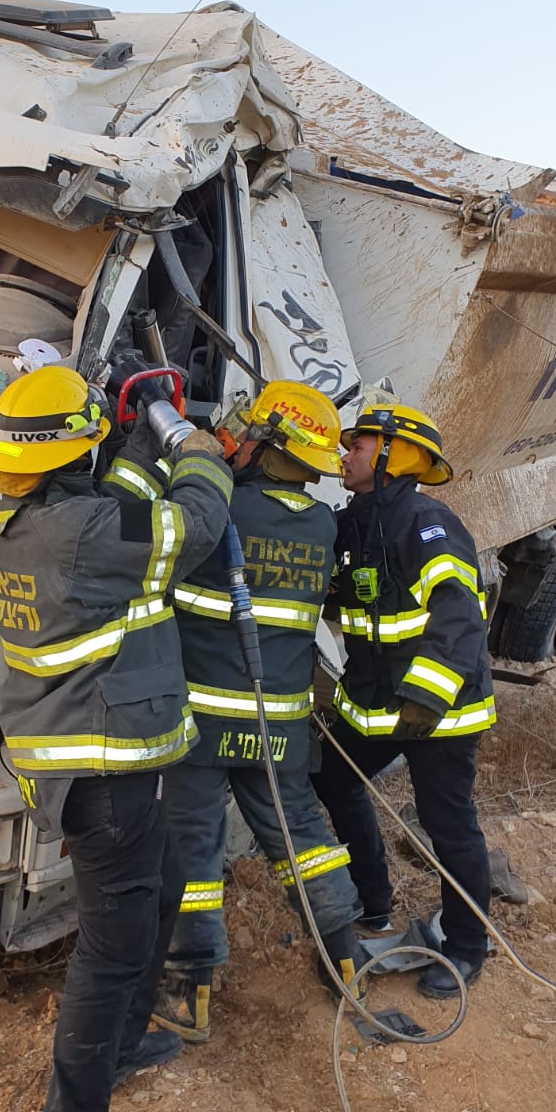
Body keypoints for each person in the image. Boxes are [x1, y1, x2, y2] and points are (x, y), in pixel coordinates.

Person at [0, 365, 232, 1112]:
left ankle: (123, 1047)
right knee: (110, 956)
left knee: (160, 895)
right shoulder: (81, 532)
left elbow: (116, 507)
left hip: (107, 763)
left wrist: (128, 433)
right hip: (106, 772)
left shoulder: (32, 518)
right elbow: (194, 522)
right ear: (69, 454)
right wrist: (191, 444)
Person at [151, 381, 364, 1043]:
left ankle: (192, 995)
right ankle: (346, 964)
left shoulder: (221, 513)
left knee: (192, 849)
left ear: (266, 443)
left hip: (200, 723)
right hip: (278, 727)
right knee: (303, 839)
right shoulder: (321, 524)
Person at [310, 403, 496, 1000]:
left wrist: (426, 696)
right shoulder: (357, 522)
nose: (346, 455)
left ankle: (468, 946)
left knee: (448, 825)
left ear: (396, 456)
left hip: (437, 712)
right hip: (379, 707)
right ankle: (373, 900)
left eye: (358, 447)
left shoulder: (425, 522)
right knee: (335, 781)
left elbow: (459, 615)